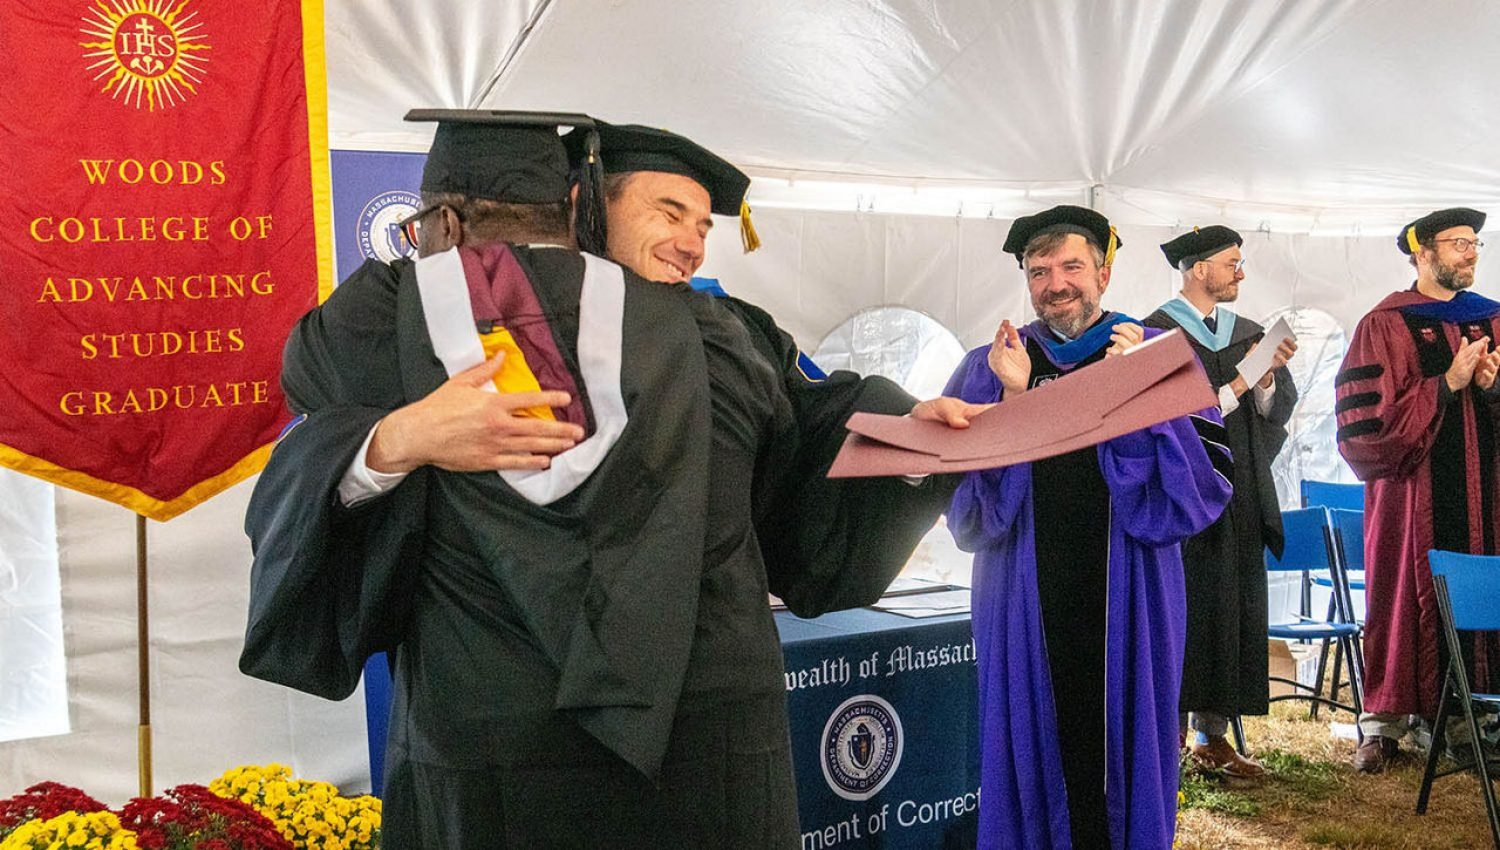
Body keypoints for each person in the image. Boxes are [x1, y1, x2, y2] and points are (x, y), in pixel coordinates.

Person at [239, 110, 984, 848]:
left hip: (490, 729)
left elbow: (810, 429)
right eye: (670, 211)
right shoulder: (726, 339)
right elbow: (808, 462)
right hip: (698, 727)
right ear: (582, 206)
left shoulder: (390, 326)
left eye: (703, 225)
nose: (693, 240)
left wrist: (909, 431)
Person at [944, 205, 1233, 849]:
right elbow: (966, 513)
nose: (1055, 284)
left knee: (1127, 744)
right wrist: (1012, 401)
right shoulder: (990, 365)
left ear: (1104, 271)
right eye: (1038, 270)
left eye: (1071, 265)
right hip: (1023, 599)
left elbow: (1202, 490)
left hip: (1130, 597)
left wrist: (1138, 394)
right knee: (1029, 745)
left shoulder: (1159, 357)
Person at [1335, 206, 1500, 773]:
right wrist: (1447, 385)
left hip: (1488, 499)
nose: (1471, 252)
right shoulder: (1385, 323)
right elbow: (1366, 426)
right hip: (1413, 499)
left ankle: (1472, 718)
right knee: (1401, 597)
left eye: (1474, 242)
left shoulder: (1493, 318)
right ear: (1422, 251)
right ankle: (1384, 722)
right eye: (1457, 243)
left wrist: (1493, 389)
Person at [1144, 225, 1298, 777]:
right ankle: (1166, 736)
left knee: (1230, 610)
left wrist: (1264, 380)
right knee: (1181, 611)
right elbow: (1169, 415)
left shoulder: (1248, 333)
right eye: (1231, 262)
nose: (1240, 272)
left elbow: (1271, 410)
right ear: (1197, 269)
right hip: (1181, 499)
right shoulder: (1155, 334)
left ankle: (1213, 737)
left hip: (1238, 497)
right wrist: (1242, 374)